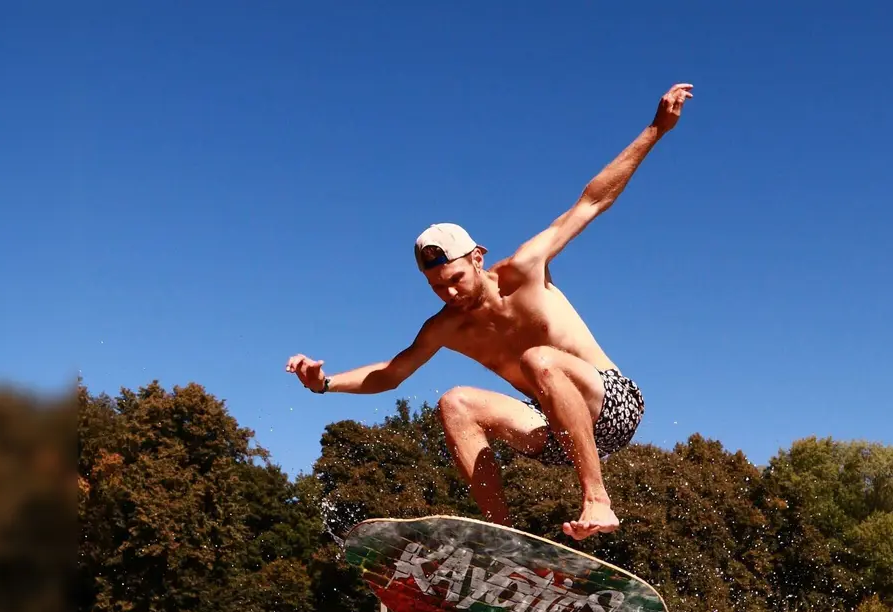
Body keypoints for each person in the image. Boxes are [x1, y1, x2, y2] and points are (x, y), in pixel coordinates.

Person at [287, 83, 693, 541]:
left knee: (538, 358)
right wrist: (323, 384)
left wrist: (656, 129)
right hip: (555, 432)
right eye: (437, 287)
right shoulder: (446, 326)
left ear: (477, 258)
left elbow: (592, 201)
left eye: (456, 278)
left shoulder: (525, 269)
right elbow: (390, 374)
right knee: (455, 402)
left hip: (612, 406)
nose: (450, 293)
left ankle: (597, 499)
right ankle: (502, 539)